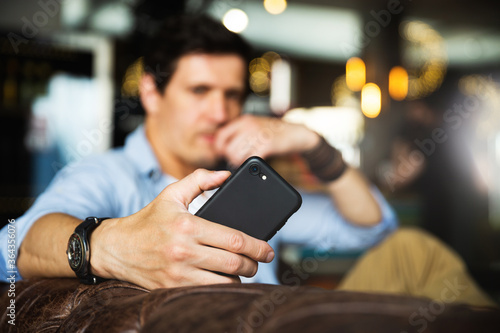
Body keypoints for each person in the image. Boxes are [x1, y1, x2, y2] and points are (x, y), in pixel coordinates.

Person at [0, 15, 496, 308]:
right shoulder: (109, 175)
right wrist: (112, 244)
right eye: (200, 91)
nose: (219, 111)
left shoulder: (246, 186)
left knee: (410, 251)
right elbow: (11, 245)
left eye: (232, 94)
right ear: (151, 91)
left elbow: (373, 229)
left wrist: (311, 143)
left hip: (278, 319)